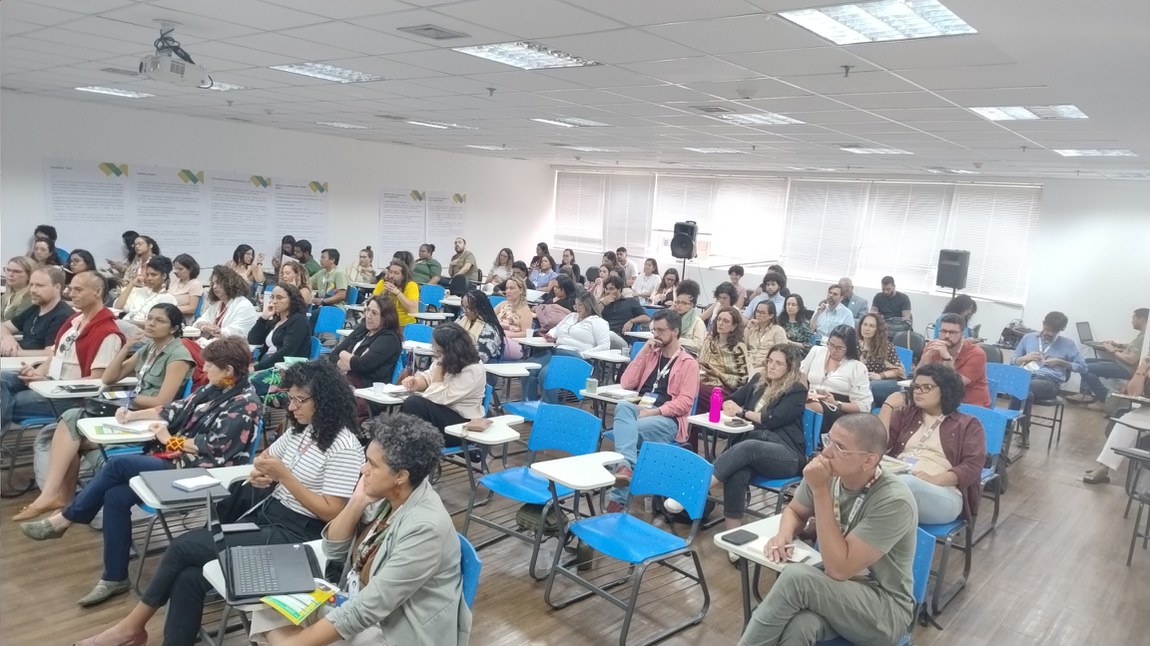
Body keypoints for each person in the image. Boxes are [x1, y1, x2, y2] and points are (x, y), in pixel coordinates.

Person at [72, 360, 364, 646]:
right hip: (271, 519)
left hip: (300, 539)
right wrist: (264, 472)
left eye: (300, 400)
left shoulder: (344, 446)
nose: (292, 407)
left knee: (183, 547)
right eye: (291, 399)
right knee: (189, 577)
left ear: (324, 401)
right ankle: (144, 634)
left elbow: (333, 513)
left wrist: (284, 477)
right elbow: (265, 459)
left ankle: (130, 629)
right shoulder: (303, 429)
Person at [18, 335, 260, 606]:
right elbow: (173, 409)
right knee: (116, 497)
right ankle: (114, 577)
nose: (205, 370)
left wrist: (170, 439)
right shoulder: (215, 389)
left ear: (228, 370)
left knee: (118, 464)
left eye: (211, 366)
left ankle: (66, 518)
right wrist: (132, 415)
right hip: (178, 461)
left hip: (205, 474)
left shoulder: (245, 403)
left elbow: (215, 447)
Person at [249, 413, 470, 646]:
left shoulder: (425, 528)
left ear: (401, 476)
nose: (364, 469)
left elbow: (369, 609)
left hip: (395, 628)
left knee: (282, 629)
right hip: (356, 600)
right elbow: (333, 548)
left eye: (372, 465)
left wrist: (297, 642)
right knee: (266, 602)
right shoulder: (390, 495)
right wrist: (357, 501)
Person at [737, 414, 917, 646]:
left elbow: (838, 569)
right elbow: (795, 511)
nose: (826, 452)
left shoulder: (894, 501)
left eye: (840, 447)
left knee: (796, 579)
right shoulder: (830, 473)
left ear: (869, 460)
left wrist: (820, 490)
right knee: (800, 626)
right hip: (842, 590)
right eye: (828, 440)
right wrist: (784, 534)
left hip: (885, 608)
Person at [19, 303, 195, 523]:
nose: (151, 323)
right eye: (150, 318)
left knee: (72, 436)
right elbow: (109, 378)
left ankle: (59, 500)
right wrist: (126, 346)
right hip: (127, 413)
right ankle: (57, 499)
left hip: (149, 420)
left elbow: (163, 402)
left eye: (159, 320)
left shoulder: (178, 355)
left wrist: (125, 398)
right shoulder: (149, 348)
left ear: (173, 328)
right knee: (71, 421)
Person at [1, 271, 125, 429]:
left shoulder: (107, 333)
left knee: (4, 400)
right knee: (3, 380)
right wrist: (39, 372)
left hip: (67, 397)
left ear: (98, 292)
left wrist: (51, 384)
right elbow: (54, 355)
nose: (71, 294)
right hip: (47, 383)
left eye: (78, 290)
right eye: (71, 289)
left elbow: (97, 381)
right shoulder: (74, 320)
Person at [605, 309, 700, 512]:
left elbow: (684, 403)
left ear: (675, 331)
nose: (655, 335)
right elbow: (626, 382)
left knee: (627, 431)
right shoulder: (651, 354)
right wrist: (643, 352)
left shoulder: (688, 363)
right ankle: (626, 468)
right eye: (653, 330)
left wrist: (654, 412)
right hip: (640, 410)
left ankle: (618, 494)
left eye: (661, 330)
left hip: (666, 419)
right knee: (623, 406)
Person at [712, 344, 808, 533]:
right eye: (770, 361)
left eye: (779, 363)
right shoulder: (758, 380)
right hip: (754, 448)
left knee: (749, 446)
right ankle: (733, 534)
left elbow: (771, 420)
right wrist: (729, 405)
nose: (772, 366)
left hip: (786, 454)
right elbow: (732, 400)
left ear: (790, 367)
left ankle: (699, 488)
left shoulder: (797, 390)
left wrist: (742, 412)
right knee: (736, 472)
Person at [884, 363, 986, 526]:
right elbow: (876, 444)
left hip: (942, 491)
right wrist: (887, 407)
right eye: (916, 386)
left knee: (903, 484)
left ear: (945, 390)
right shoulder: (906, 414)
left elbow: (972, 467)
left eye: (927, 387)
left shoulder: (968, 424)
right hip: (897, 478)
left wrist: (934, 479)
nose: (918, 391)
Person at [400, 324, 486, 447]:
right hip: (444, 415)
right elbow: (429, 376)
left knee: (414, 404)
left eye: (438, 350)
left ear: (450, 349)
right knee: (409, 406)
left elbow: (438, 396)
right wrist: (417, 382)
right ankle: (408, 447)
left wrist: (440, 365)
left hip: (463, 424)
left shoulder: (473, 370)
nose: (435, 352)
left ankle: (411, 450)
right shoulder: (445, 358)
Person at [1011, 311, 1086, 438]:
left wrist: (1061, 362)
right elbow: (1013, 360)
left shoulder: (1068, 344)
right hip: (1028, 377)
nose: (1049, 334)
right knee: (1026, 393)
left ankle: (1006, 432)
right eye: (1047, 329)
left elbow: (1083, 368)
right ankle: (1024, 434)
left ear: (1060, 330)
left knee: (1021, 387)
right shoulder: (1028, 338)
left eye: (1053, 332)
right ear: (1043, 324)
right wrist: (1024, 358)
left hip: (1050, 383)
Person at [524, 290, 610, 402]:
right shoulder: (571, 316)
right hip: (556, 351)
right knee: (528, 369)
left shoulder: (598, 322)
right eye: (576, 305)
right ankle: (530, 405)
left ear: (589, 305)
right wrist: (551, 334)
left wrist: (583, 355)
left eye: (580, 305)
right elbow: (556, 328)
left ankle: (550, 410)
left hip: (576, 356)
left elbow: (605, 346)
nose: (577, 308)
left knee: (546, 375)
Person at [1083, 357, 1150, 484]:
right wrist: (1142, 370)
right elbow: (1133, 393)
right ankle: (1103, 467)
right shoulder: (1147, 367)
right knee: (1124, 422)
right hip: (1146, 411)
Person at [801, 325, 872, 433]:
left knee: (811, 407)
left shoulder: (857, 367)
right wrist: (804, 392)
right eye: (831, 345)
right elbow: (801, 375)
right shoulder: (817, 351)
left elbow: (864, 406)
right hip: (810, 396)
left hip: (838, 407)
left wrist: (836, 403)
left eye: (839, 348)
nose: (833, 351)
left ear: (849, 348)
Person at [1073, 307, 1147, 410]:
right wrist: (1119, 345)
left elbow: (1131, 359)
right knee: (1085, 361)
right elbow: (1133, 348)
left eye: (1133, 318)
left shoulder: (1144, 337)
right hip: (1120, 365)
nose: (1132, 321)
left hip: (1125, 369)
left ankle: (1103, 399)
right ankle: (1086, 394)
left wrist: (1112, 350)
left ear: (1141, 319)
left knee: (1084, 367)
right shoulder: (1143, 335)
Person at [330, 295, 403, 387]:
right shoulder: (363, 329)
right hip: (347, 380)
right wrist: (349, 364)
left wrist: (343, 354)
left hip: (368, 388)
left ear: (386, 317)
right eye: (367, 310)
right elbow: (333, 354)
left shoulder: (389, 338)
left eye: (374, 313)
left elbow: (362, 365)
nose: (368, 316)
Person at [1, 266, 73, 356]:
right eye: (31, 285)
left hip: (32, 365)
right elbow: (4, 327)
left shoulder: (62, 315)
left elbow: (50, 353)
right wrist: (8, 338)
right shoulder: (35, 308)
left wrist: (12, 352)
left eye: (39, 286)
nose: (33, 290)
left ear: (57, 287)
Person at [697, 306, 751, 413]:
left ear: (733, 326)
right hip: (703, 383)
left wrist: (716, 373)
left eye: (726, 321)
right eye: (719, 319)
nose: (720, 323)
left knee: (695, 389)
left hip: (724, 390)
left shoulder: (738, 347)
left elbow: (742, 381)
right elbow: (701, 365)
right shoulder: (709, 342)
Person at [249, 284, 311, 372]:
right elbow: (253, 340)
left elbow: (287, 352)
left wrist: (257, 368)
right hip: (268, 364)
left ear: (292, 300)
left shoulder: (299, 321)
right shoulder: (276, 320)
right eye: (272, 297)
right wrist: (263, 318)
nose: (274, 301)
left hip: (286, 370)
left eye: (279, 298)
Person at [193, 265, 259, 343]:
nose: (214, 287)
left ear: (230, 283)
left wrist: (218, 331)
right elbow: (200, 321)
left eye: (218, 283)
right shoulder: (218, 304)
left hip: (232, 349)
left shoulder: (243, 305)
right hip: (215, 345)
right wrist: (204, 327)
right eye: (213, 284)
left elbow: (236, 333)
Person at [114, 254, 178, 327]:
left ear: (164, 276)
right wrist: (132, 284)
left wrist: (128, 323)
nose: (149, 278)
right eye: (147, 275)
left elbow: (158, 325)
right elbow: (118, 306)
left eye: (153, 275)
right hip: (127, 326)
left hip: (144, 332)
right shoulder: (142, 291)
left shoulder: (168, 299)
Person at [857, 313, 905, 408]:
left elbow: (899, 371)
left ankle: (863, 410)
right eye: (865, 324)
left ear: (877, 329)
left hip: (884, 382)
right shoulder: (855, 345)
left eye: (872, 326)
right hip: (861, 382)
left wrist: (880, 376)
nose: (867, 328)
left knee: (867, 387)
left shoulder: (886, 346)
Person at [600, 274, 650, 350]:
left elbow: (646, 318)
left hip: (620, 337)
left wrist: (631, 321)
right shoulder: (603, 303)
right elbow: (592, 316)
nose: (608, 292)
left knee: (609, 335)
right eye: (606, 289)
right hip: (602, 335)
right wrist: (603, 303)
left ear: (619, 289)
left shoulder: (630, 301)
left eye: (611, 289)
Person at [458, 290, 505, 364]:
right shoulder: (462, 318)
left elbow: (481, 357)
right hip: (459, 363)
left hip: (482, 369)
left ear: (480, 308)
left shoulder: (490, 329)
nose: (464, 311)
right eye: (463, 306)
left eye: (468, 307)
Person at [495, 275, 536, 360]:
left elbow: (526, 333)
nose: (508, 291)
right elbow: (488, 317)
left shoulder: (524, 309)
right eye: (506, 288)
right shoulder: (502, 304)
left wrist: (509, 335)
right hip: (497, 336)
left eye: (512, 288)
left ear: (521, 290)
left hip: (513, 341)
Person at [373, 259, 420, 327]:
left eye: (396, 273)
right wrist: (384, 293)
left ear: (403, 276)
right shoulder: (382, 283)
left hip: (404, 325)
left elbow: (413, 310)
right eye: (390, 272)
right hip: (383, 323)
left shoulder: (411, 285)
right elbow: (372, 304)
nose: (392, 276)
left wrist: (398, 293)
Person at [745, 300, 788, 369]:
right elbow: (743, 346)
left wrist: (762, 363)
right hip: (748, 363)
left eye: (762, 313)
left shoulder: (778, 330)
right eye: (757, 311)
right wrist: (747, 328)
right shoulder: (752, 328)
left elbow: (782, 353)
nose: (758, 315)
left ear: (771, 315)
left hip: (765, 366)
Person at [671, 279, 707, 354]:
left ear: (692, 305)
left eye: (684, 303)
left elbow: (698, 344)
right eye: (678, 302)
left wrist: (677, 340)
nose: (679, 305)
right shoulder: (672, 318)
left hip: (689, 357)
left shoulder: (697, 322)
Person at [169, 253, 204, 320]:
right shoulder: (175, 281)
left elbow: (192, 308)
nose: (176, 271)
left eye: (180, 269)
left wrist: (171, 310)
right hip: (170, 316)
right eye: (175, 268)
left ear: (190, 269)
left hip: (184, 319)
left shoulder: (195, 284)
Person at [2, 256, 35, 320]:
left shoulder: (31, 298)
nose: (10, 274)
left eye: (16, 271)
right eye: (8, 270)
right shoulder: (7, 295)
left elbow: (17, 326)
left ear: (29, 275)